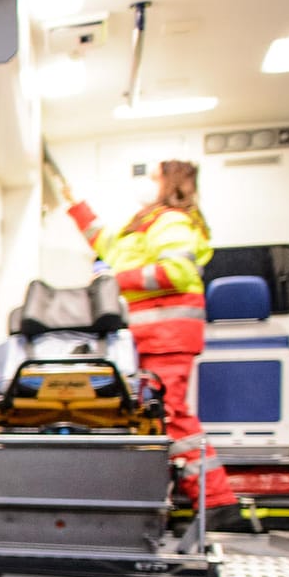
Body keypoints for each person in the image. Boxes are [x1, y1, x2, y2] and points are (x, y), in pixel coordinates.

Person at [63, 161, 239, 527]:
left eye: (153, 177)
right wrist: (75, 204)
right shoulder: (143, 225)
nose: (144, 183)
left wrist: (116, 280)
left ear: (169, 183)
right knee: (151, 416)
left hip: (168, 333)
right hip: (150, 336)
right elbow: (105, 241)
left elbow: (176, 271)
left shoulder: (172, 220)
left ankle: (219, 503)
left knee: (170, 415)